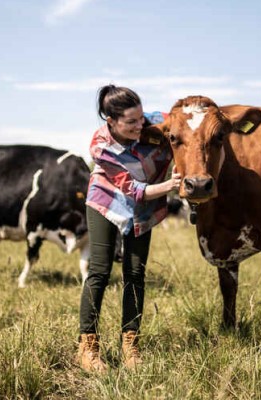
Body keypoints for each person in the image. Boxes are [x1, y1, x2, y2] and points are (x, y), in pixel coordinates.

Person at [78, 85, 180, 372]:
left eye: (141, 118)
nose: (140, 125)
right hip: (107, 200)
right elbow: (133, 189)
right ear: (110, 121)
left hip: (143, 208)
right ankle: (87, 346)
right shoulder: (101, 146)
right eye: (131, 122)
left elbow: (184, 121)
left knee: (135, 273)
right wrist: (170, 187)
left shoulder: (156, 121)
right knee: (99, 270)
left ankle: (130, 345)